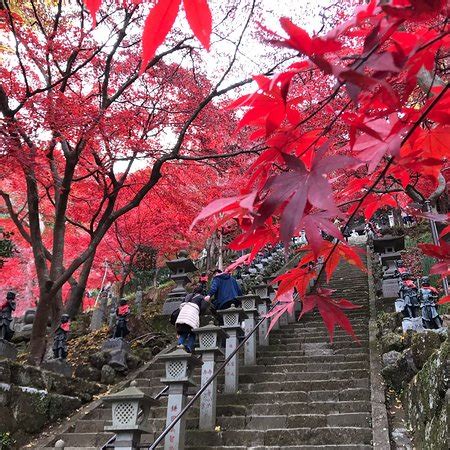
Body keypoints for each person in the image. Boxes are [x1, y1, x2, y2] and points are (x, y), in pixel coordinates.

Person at [176, 285, 209, 352]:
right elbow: (203, 308)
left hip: (182, 315)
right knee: (192, 333)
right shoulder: (201, 297)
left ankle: (179, 344)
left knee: (183, 332)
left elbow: (181, 304)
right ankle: (189, 347)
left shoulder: (188, 296)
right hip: (192, 316)